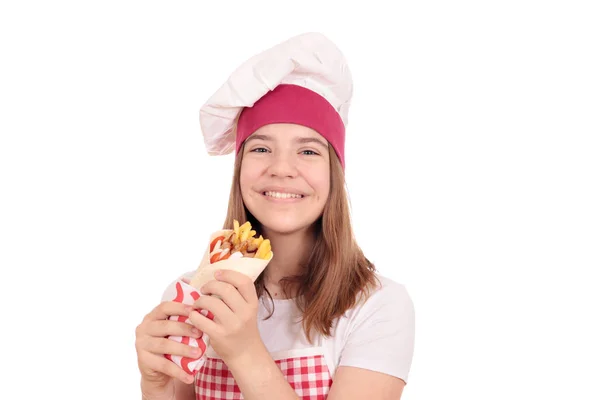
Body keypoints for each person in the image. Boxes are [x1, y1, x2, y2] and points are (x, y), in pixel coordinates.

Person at [135, 32, 415, 400]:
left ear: (335, 172)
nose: (282, 169)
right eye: (262, 147)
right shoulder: (192, 293)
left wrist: (245, 351)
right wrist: (157, 387)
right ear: (239, 168)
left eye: (309, 151)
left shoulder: (377, 307)